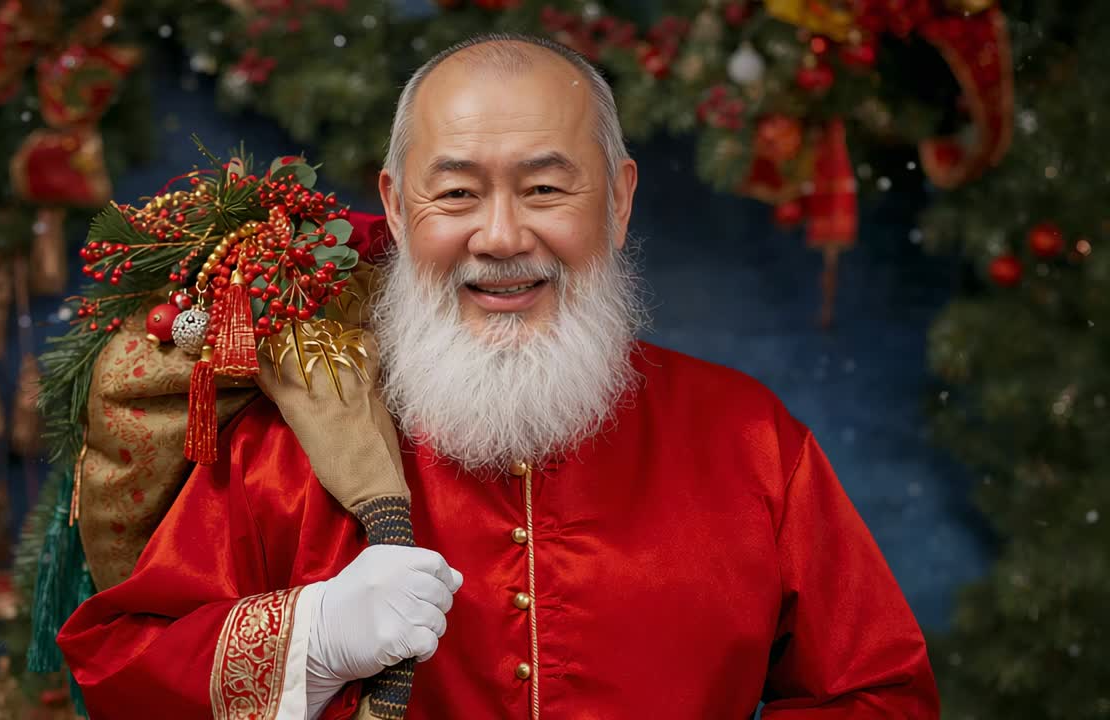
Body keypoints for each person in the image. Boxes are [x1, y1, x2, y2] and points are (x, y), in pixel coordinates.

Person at [58, 33, 939, 719]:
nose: (503, 237)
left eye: (546, 190)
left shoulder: (748, 438)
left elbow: (878, 693)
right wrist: (308, 640)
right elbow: (121, 675)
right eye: (457, 194)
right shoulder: (292, 437)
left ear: (619, 201)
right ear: (397, 208)